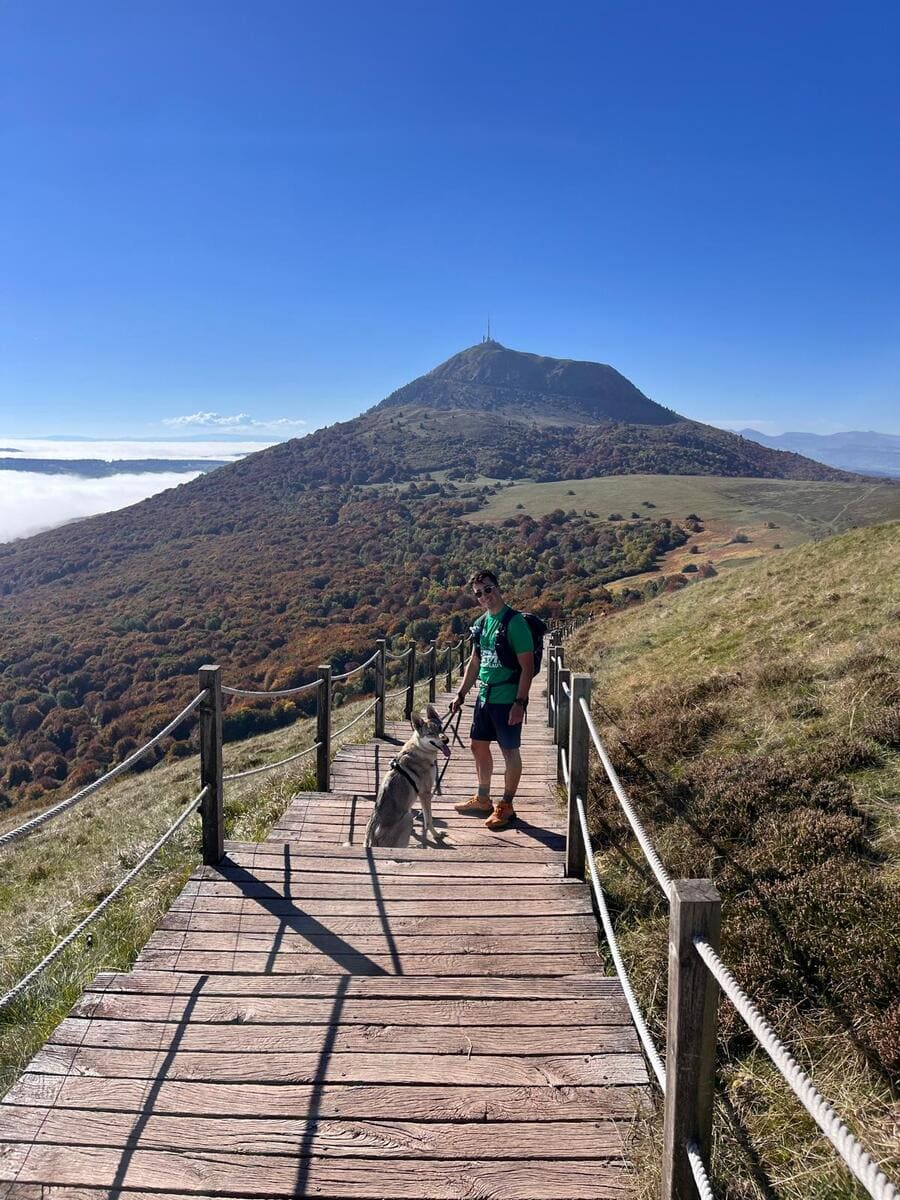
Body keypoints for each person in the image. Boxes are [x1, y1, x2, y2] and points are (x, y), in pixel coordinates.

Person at [448, 569, 534, 831]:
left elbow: (527, 667)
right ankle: (483, 798)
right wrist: (461, 693)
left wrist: (519, 703)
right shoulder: (482, 623)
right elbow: (476, 661)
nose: (485, 596)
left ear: (498, 588)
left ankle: (506, 806)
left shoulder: (515, 622)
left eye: (488, 589)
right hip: (484, 697)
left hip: (508, 698)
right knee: (478, 746)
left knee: (509, 751)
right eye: (479, 593)